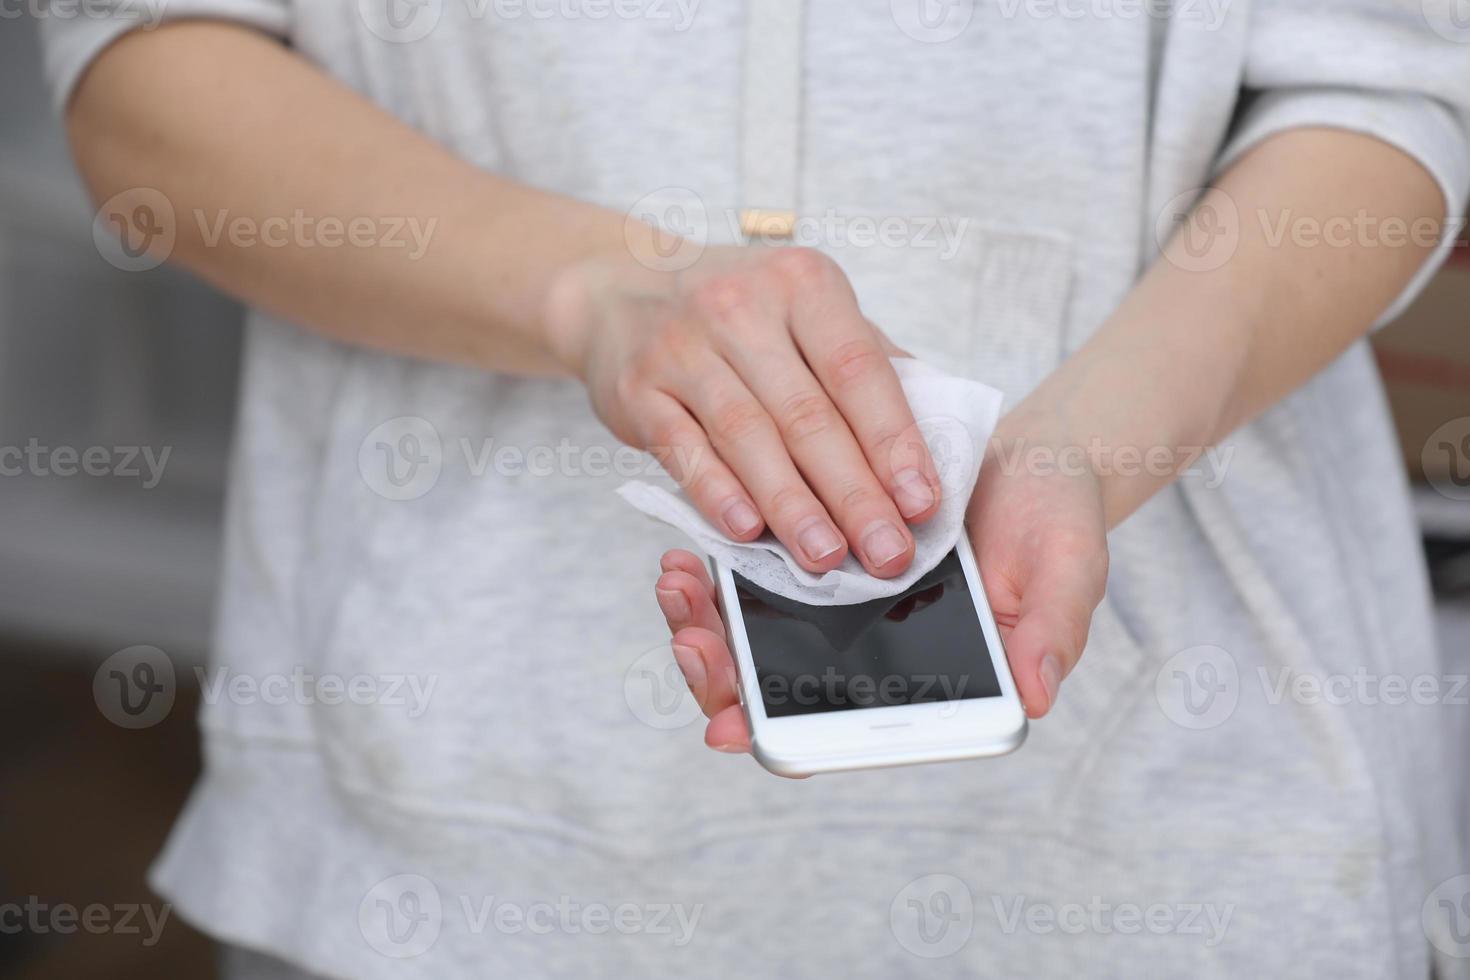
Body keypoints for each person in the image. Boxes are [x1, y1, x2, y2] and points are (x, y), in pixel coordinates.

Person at [41, 1, 1470, 976]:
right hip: (448, 854)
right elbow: (141, 72)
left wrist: (1087, 449)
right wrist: (594, 291)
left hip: (1197, 851)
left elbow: (1383, 90)